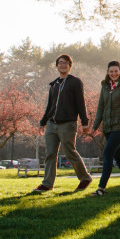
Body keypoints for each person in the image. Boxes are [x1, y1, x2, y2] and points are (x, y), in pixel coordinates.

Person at [34, 54, 93, 192]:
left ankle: (85, 178)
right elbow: (50, 105)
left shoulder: (75, 82)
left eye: (66, 63)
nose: (62, 65)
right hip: (51, 124)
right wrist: (43, 122)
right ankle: (47, 184)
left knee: (69, 152)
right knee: (50, 154)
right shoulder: (54, 84)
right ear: (57, 65)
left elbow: (80, 102)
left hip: (67, 124)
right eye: (60, 62)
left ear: (69, 65)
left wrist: (85, 122)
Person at [90, 61, 120, 196]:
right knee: (119, 158)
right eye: (111, 71)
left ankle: (101, 188)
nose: (113, 74)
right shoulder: (105, 86)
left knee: (107, 153)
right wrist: (94, 127)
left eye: (116, 71)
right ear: (108, 72)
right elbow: (101, 107)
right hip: (108, 127)